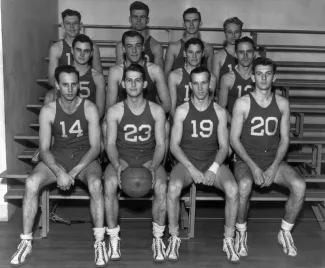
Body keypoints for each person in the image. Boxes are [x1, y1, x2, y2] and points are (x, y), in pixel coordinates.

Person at [10, 66, 107, 267]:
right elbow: (44, 149)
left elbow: (96, 148)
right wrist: (59, 172)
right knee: (31, 183)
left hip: (84, 157)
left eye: (73, 84)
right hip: (58, 156)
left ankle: (99, 241)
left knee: (96, 184)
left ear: (78, 85)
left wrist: (71, 172)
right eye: (65, 85)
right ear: (57, 85)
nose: (70, 89)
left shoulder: (89, 108)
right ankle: (25, 241)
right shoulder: (48, 110)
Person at [230, 57, 306, 258]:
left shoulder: (282, 103)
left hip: (273, 159)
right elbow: (234, 140)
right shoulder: (242, 103)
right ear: (253, 77)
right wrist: (254, 167)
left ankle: (285, 232)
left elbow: (284, 139)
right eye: (260, 73)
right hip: (246, 160)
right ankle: (241, 232)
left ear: (275, 76)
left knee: (299, 186)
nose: (264, 77)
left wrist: (273, 167)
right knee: (244, 186)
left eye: (268, 73)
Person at [167, 66, 239, 263]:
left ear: (210, 85)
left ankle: (229, 239)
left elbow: (224, 147)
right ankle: (173, 237)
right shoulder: (181, 111)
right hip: (187, 162)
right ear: (190, 86)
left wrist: (213, 169)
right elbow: (173, 146)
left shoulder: (219, 112)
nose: (200, 88)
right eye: (195, 83)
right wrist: (191, 168)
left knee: (233, 189)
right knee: (172, 188)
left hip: (211, 160)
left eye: (204, 83)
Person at [104, 63, 168, 262]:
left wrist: (154, 166)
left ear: (145, 84)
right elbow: (111, 144)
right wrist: (116, 165)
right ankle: (113, 237)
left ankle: (157, 238)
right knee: (109, 184)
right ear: (122, 84)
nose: (133, 84)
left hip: (149, 157)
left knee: (161, 185)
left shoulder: (157, 111)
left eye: (137, 80)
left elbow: (160, 145)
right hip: (122, 156)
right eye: (129, 80)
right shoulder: (114, 111)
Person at [45, 34, 106, 119]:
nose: (82, 54)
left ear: (91, 53)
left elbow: (100, 111)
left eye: (86, 51)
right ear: (72, 51)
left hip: (88, 121)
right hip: (65, 120)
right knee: (49, 98)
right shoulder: (63, 75)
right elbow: (57, 104)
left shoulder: (97, 77)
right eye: (78, 50)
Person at [47, 9, 102, 89]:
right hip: (65, 89)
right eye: (68, 23)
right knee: (49, 97)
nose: (71, 27)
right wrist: (69, 89)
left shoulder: (93, 47)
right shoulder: (56, 48)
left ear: (81, 25)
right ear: (62, 25)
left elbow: (99, 74)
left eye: (75, 23)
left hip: (87, 88)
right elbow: (51, 79)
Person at [168, 38, 217, 117]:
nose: (194, 56)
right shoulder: (174, 76)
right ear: (184, 53)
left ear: (203, 54)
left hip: (201, 120)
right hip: (180, 119)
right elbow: (172, 108)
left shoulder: (211, 78)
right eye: (190, 52)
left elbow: (209, 107)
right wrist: (179, 124)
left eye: (198, 52)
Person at [164, 7, 214, 77]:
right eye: (188, 21)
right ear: (183, 24)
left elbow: (210, 76)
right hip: (178, 86)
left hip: (200, 87)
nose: (191, 24)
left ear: (200, 23)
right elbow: (166, 75)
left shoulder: (208, 48)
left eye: (195, 20)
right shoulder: (174, 47)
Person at [115, 1, 164, 68]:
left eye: (142, 17)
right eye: (135, 17)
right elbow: (118, 73)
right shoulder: (121, 46)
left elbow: (159, 75)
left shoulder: (155, 46)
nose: (139, 20)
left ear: (148, 20)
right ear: (130, 19)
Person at [218, 36, 255, 123]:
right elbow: (221, 108)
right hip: (233, 123)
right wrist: (235, 125)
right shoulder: (227, 78)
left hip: (256, 124)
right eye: (241, 52)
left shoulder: (260, 77)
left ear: (254, 53)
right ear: (235, 54)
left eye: (249, 52)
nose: (245, 56)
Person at [211, 17, 243, 86]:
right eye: (230, 32)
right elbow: (214, 85)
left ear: (241, 33)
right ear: (225, 33)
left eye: (236, 32)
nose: (233, 36)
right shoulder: (218, 56)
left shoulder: (247, 55)